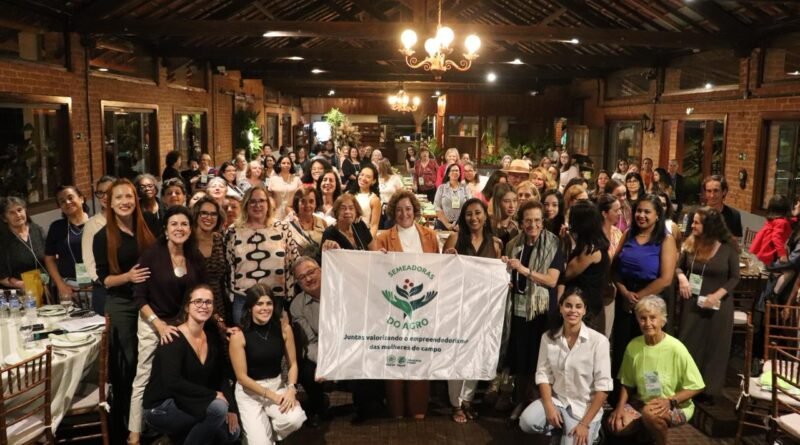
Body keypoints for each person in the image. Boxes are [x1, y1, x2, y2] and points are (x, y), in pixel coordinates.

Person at [128, 206, 205, 443]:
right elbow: (139, 297)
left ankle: (177, 426)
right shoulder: (151, 255)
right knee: (144, 375)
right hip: (152, 322)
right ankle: (134, 434)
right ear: (165, 229)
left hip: (182, 324)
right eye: (174, 224)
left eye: (184, 224)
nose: (179, 228)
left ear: (190, 229)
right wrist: (159, 325)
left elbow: (203, 292)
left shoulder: (195, 256)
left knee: (182, 374)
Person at [93, 178, 157, 442]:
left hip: (153, 300)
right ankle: (128, 426)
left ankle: (152, 419)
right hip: (122, 304)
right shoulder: (102, 236)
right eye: (118, 197)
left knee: (154, 361)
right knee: (128, 365)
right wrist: (128, 277)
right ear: (109, 202)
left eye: (128, 196)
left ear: (136, 199)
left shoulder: (151, 224)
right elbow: (104, 279)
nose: (124, 202)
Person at [142, 285, 241, 445]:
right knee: (217, 409)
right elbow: (172, 382)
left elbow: (221, 376)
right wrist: (212, 396)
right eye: (198, 301)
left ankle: (177, 438)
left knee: (232, 433)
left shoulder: (211, 338)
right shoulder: (173, 338)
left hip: (189, 401)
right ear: (187, 307)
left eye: (208, 302)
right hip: (162, 406)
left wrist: (232, 409)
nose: (204, 306)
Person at [519, 288, 612, 445]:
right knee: (527, 422)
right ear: (561, 308)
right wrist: (548, 406)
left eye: (578, 306)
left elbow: (603, 387)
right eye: (568, 305)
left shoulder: (599, 341)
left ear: (584, 310)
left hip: (584, 409)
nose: (573, 310)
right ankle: (558, 429)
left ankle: (593, 433)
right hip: (558, 400)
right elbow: (543, 374)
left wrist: (584, 424)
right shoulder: (548, 338)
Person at [607, 296, 704, 445]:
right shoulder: (633, 346)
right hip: (643, 402)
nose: (648, 323)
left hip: (675, 405)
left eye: (653, 318)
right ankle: (647, 433)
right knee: (618, 425)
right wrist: (619, 408)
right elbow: (627, 382)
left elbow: (697, 386)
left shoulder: (676, 348)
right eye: (643, 318)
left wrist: (670, 401)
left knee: (650, 415)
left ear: (662, 320)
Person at [377, 191, 439, 420]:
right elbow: (374, 272)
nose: (404, 213)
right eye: (399, 209)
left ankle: (418, 408)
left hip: (423, 307)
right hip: (394, 308)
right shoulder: (384, 238)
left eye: (408, 209)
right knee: (395, 356)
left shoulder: (430, 236)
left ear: (415, 211)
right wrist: (377, 257)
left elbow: (437, 271)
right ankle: (396, 410)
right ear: (393, 212)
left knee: (419, 356)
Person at [501, 200, 564, 423]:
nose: (533, 225)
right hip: (517, 309)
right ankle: (520, 401)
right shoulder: (513, 244)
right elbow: (508, 273)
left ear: (543, 222)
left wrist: (524, 270)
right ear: (521, 222)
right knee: (520, 359)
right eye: (528, 220)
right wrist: (506, 274)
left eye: (537, 220)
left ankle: (538, 404)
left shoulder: (554, 242)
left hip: (541, 312)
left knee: (540, 360)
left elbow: (551, 280)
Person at [443, 198, 502, 423]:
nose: (474, 218)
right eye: (469, 214)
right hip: (457, 308)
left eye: (478, 213)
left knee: (477, 354)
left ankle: (467, 400)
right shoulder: (455, 238)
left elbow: (497, 276)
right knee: (456, 355)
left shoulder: (495, 244)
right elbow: (442, 273)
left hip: (483, 310)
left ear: (485, 216)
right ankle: (456, 404)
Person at [677, 207, 739, 405]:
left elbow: (735, 277)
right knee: (690, 342)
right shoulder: (690, 243)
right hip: (693, 302)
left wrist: (717, 295)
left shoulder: (728, 247)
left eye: (696, 222)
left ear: (709, 226)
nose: (692, 226)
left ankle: (708, 389)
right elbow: (679, 266)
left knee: (714, 347)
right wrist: (681, 278)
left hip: (718, 304)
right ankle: (687, 386)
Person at [229, 284, 306, 444]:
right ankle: (258, 435)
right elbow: (242, 378)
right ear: (250, 307)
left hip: (276, 385)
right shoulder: (239, 335)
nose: (265, 308)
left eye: (268, 303)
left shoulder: (284, 329)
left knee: (296, 419)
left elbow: (293, 364)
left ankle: (266, 430)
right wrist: (272, 396)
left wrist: (291, 389)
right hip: (250, 392)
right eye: (259, 304)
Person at [612, 195, 678, 379]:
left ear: (658, 215)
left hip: (651, 300)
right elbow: (614, 268)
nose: (641, 215)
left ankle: (649, 396)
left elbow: (665, 279)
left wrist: (637, 298)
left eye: (647, 212)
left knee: (649, 349)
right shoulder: (628, 234)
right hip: (625, 297)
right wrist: (625, 293)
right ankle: (621, 396)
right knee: (623, 347)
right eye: (639, 211)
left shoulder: (666, 240)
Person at [226, 185, 296, 324]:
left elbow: (293, 260)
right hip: (244, 300)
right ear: (246, 204)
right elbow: (229, 265)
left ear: (268, 204)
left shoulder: (282, 228)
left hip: (275, 299)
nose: (257, 205)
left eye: (261, 201)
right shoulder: (233, 231)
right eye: (252, 201)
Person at [563, 200, 610, 331]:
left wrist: (565, 243)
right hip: (587, 308)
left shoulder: (590, 250)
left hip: (586, 313)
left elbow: (565, 274)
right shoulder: (594, 244)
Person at [290, 257, 326, 426]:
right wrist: (326, 363)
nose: (308, 279)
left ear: (321, 270)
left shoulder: (342, 288)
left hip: (350, 347)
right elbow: (310, 342)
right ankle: (321, 407)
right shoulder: (296, 306)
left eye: (311, 272)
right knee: (305, 370)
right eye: (302, 277)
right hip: (322, 351)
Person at [44, 185, 90, 303]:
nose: (67, 202)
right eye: (62, 201)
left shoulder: (96, 223)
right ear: (59, 207)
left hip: (96, 286)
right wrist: (60, 284)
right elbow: (49, 258)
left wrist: (100, 282)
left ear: (81, 198)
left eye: (70, 197)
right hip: (68, 287)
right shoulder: (57, 227)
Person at [192, 196, 230, 328]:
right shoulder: (187, 241)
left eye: (213, 214)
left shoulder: (219, 239)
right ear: (196, 215)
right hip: (193, 304)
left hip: (218, 302)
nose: (209, 217)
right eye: (204, 213)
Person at [83, 175, 116, 314]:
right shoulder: (92, 224)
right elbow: (88, 258)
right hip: (104, 287)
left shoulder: (129, 219)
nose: (104, 196)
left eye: (108, 191)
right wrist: (101, 280)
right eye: (100, 193)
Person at [0, 197, 48, 292]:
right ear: (4, 218)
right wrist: (24, 285)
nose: (18, 215)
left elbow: (49, 257)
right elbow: (2, 276)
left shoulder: (37, 230)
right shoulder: (2, 240)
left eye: (19, 210)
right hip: (18, 293)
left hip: (45, 288)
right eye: (12, 212)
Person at [684, 175, 743, 240]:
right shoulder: (695, 213)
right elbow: (688, 241)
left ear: (724, 191)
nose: (712, 195)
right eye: (709, 191)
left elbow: (735, 244)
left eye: (716, 191)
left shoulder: (734, 215)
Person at [598, 193, 623, 339]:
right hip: (595, 290)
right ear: (604, 213)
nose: (620, 213)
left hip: (612, 291)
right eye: (616, 210)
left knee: (605, 335)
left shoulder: (618, 233)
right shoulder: (594, 234)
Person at [288, 187, 327, 264]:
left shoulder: (323, 223)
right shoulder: (288, 226)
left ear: (316, 204)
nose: (307, 205)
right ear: (297, 203)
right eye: (303, 202)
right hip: (298, 267)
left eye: (311, 201)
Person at [434, 163, 472, 231]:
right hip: (443, 224)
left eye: (457, 170)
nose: (455, 172)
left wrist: (461, 223)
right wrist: (446, 223)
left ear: (460, 173)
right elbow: (437, 207)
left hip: (461, 225)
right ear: (448, 174)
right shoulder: (442, 188)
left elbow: (470, 206)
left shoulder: (465, 188)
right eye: (452, 170)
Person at [268, 155, 302, 221]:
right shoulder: (273, 179)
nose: (286, 165)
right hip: (276, 212)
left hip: (292, 212)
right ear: (279, 164)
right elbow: (269, 195)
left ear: (291, 165)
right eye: (283, 163)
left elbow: (300, 196)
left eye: (288, 163)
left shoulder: (296, 179)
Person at [353, 164, 382, 237]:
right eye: (362, 175)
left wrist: (369, 243)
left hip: (363, 236)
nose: (363, 178)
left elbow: (374, 225)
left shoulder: (374, 199)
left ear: (373, 181)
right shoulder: (349, 194)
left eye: (368, 177)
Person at [491, 183, 520, 248]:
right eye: (506, 201)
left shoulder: (518, 227)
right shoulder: (487, 224)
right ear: (497, 202)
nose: (512, 206)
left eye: (514, 201)